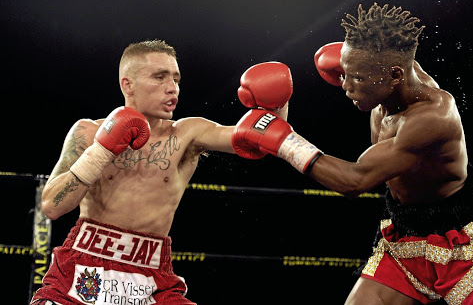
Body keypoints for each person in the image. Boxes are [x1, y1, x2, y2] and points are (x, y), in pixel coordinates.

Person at [231, 3, 473, 304]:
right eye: (344, 73)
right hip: (403, 236)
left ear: (394, 75)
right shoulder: (387, 74)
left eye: (358, 79)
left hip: (463, 243)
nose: (346, 86)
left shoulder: (432, 119)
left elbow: (357, 180)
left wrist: (285, 143)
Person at [30, 40, 292, 305]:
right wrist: (101, 150)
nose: (173, 88)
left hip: (152, 278)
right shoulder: (87, 132)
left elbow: (262, 138)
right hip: (82, 269)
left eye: (176, 79)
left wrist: (277, 101)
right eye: (160, 77)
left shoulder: (188, 134)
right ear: (127, 84)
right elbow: (52, 205)